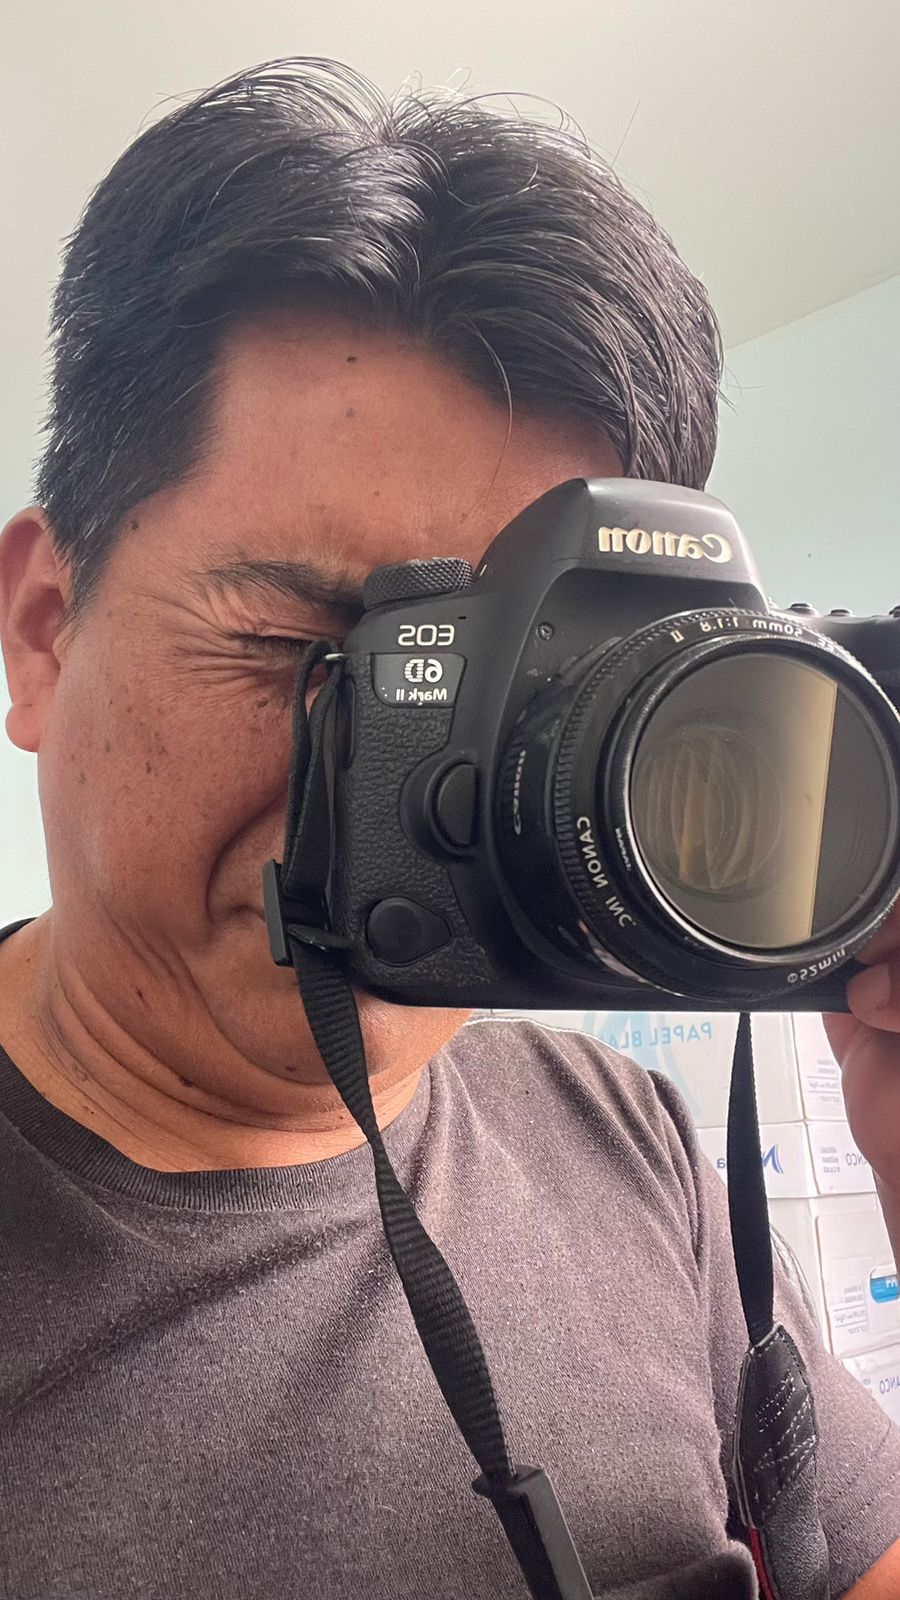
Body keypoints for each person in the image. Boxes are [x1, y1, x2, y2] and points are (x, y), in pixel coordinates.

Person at [0, 57, 898, 1600]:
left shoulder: (621, 1133)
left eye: (519, 687)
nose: (428, 789)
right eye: (309, 653)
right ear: (42, 630)